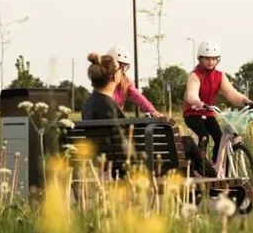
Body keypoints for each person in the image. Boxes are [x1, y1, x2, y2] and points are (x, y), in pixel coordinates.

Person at [82, 52, 216, 177]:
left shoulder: (88, 104)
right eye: (120, 69)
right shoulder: (109, 106)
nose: (122, 72)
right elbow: (127, 142)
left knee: (185, 154)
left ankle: (195, 191)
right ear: (114, 77)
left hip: (109, 164)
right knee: (187, 142)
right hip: (131, 166)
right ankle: (214, 182)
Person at [183, 40, 253, 162]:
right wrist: (198, 102)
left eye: (214, 59)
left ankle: (215, 164)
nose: (210, 62)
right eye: (207, 59)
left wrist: (247, 101)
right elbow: (191, 95)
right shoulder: (195, 75)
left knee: (219, 137)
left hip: (208, 112)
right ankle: (200, 166)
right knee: (204, 136)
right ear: (200, 59)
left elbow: (232, 95)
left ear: (218, 59)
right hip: (192, 112)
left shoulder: (220, 76)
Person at [105, 46, 161, 117]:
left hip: (115, 119)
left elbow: (138, 97)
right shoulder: (102, 80)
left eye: (125, 66)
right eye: (120, 66)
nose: (122, 70)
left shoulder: (126, 82)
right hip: (103, 118)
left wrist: (151, 110)